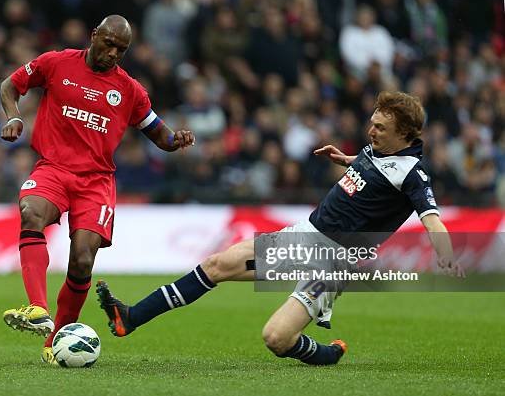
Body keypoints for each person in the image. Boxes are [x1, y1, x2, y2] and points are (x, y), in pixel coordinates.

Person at [97, 91, 464, 366]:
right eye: (372, 122)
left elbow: (432, 218)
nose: (371, 131)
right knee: (216, 265)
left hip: (333, 263)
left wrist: (445, 255)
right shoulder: (378, 149)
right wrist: (346, 159)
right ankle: (132, 316)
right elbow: (371, 165)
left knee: (276, 338)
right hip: (302, 236)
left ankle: (327, 355)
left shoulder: (413, 174)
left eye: (381, 128)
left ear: (405, 135)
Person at [0, 15, 195, 365]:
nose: (113, 53)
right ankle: (38, 307)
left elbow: (158, 132)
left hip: (96, 182)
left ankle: (54, 337)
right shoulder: (56, 63)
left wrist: (175, 139)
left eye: (122, 49)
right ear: (94, 36)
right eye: (109, 43)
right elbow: (9, 86)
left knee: (83, 260)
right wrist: (14, 116)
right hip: (53, 169)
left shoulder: (130, 90)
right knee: (31, 213)